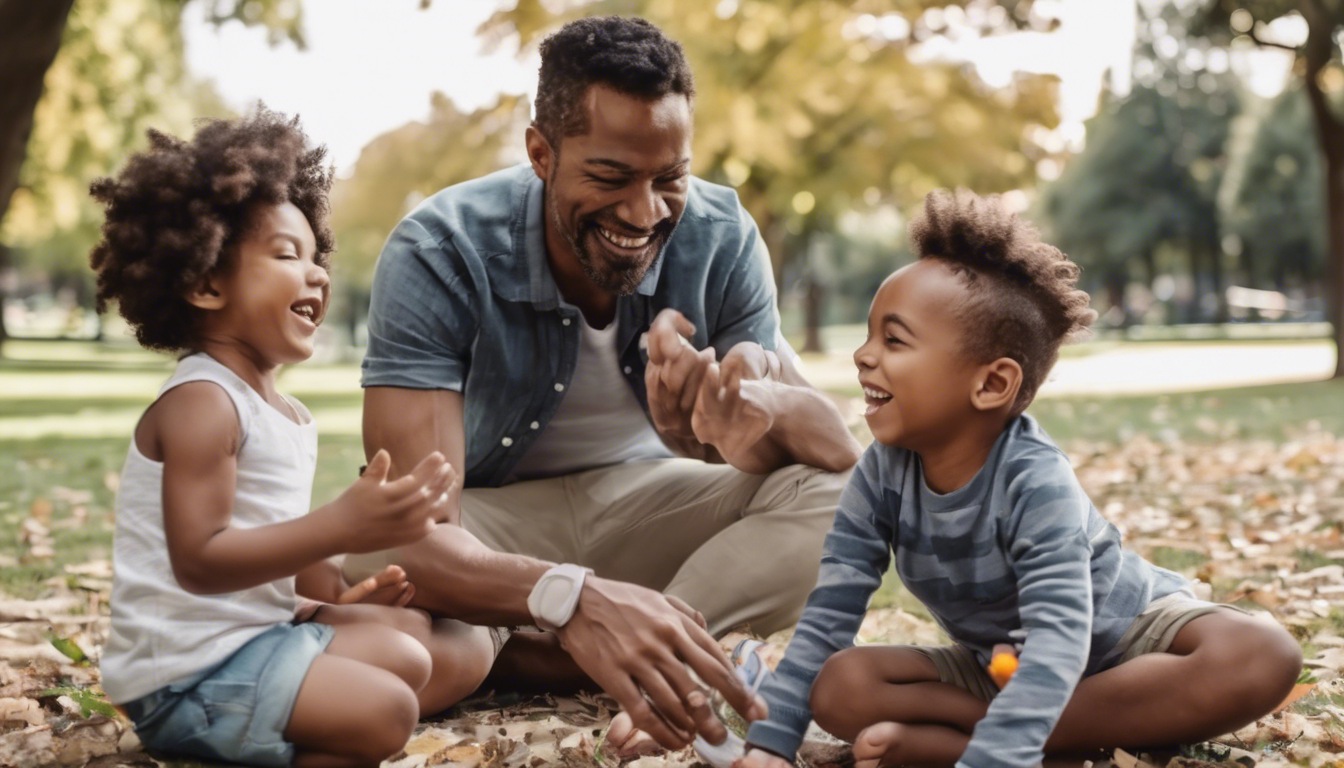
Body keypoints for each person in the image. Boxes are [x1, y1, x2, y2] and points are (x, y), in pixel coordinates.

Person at [343, 14, 862, 752]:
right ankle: (596, 637)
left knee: (857, 494)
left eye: (669, 178)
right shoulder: (442, 247)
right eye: (612, 177)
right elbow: (412, 526)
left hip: (643, 512)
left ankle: (643, 653)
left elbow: (837, 452)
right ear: (541, 153)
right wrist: (571, 595)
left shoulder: (723, 233)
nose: (646, 211)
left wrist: (756, 404)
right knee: (384, 628)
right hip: (488, 524)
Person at [736, 190, 1303, 768]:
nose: (862, 355)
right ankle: (1064, 737)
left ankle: (987, 744)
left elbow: (1059, 636)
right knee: (841, 684)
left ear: (991, 384)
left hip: (1127, 646)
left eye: (893, 339)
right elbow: (831, 612)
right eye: (869, 335)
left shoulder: (1035, 479)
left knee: (1263, 653)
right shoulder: (881, 474)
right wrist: (771, 745)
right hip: (1003, 667)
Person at [92, 110, 497, 768]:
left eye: (316, 257)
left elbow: (274, 560)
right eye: (286, 255)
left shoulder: (284, 412)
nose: (315, 275)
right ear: (204, 281)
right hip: (186, 676)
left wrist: (335, 593)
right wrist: (340, 525)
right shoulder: (203, 402)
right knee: (389, 711)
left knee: (407, 641)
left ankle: (286, 722)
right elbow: (201, 561)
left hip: (249, 638)